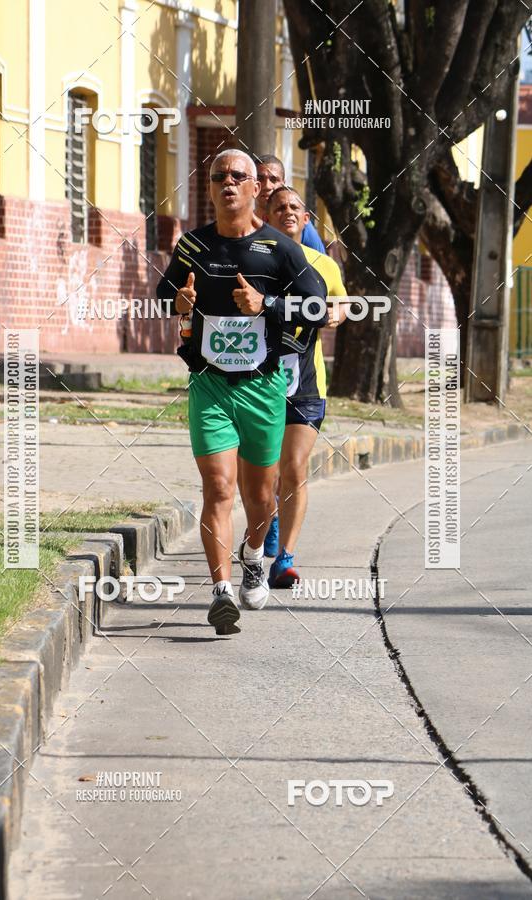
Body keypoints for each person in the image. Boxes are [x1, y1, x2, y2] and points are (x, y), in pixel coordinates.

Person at [156, 150, 328, 634]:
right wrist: (179, 300)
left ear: (257, 188)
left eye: (238, 177)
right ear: (209, 189)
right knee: (218, 487)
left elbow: (316, 309)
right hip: (209, 383)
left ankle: (255, 555)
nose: (228, 183)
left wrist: (267, 303)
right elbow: (161, 296)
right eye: (218, 177)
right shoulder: (192, 245)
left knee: (259, 494)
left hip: (263, 386)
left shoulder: (280, 249)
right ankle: (221, 593)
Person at [263, 185, 347, 588]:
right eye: (279, 207)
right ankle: (271, 521)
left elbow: (342, 301)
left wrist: (336, 314)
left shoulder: (322, 264)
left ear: (306, 218)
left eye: (295, 207)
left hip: (307, 383)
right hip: (258, 380)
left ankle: (285, 558)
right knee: (266, 473)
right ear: (266, 214)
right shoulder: (255, 256)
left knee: (294, 467)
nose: (288, 212)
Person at [255, 154, 326, 253]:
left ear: (283, 184)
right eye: (260, 179)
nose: (267, 186)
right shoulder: (242, 221)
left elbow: (320, 264)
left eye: (274, 179)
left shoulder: (300, 224)